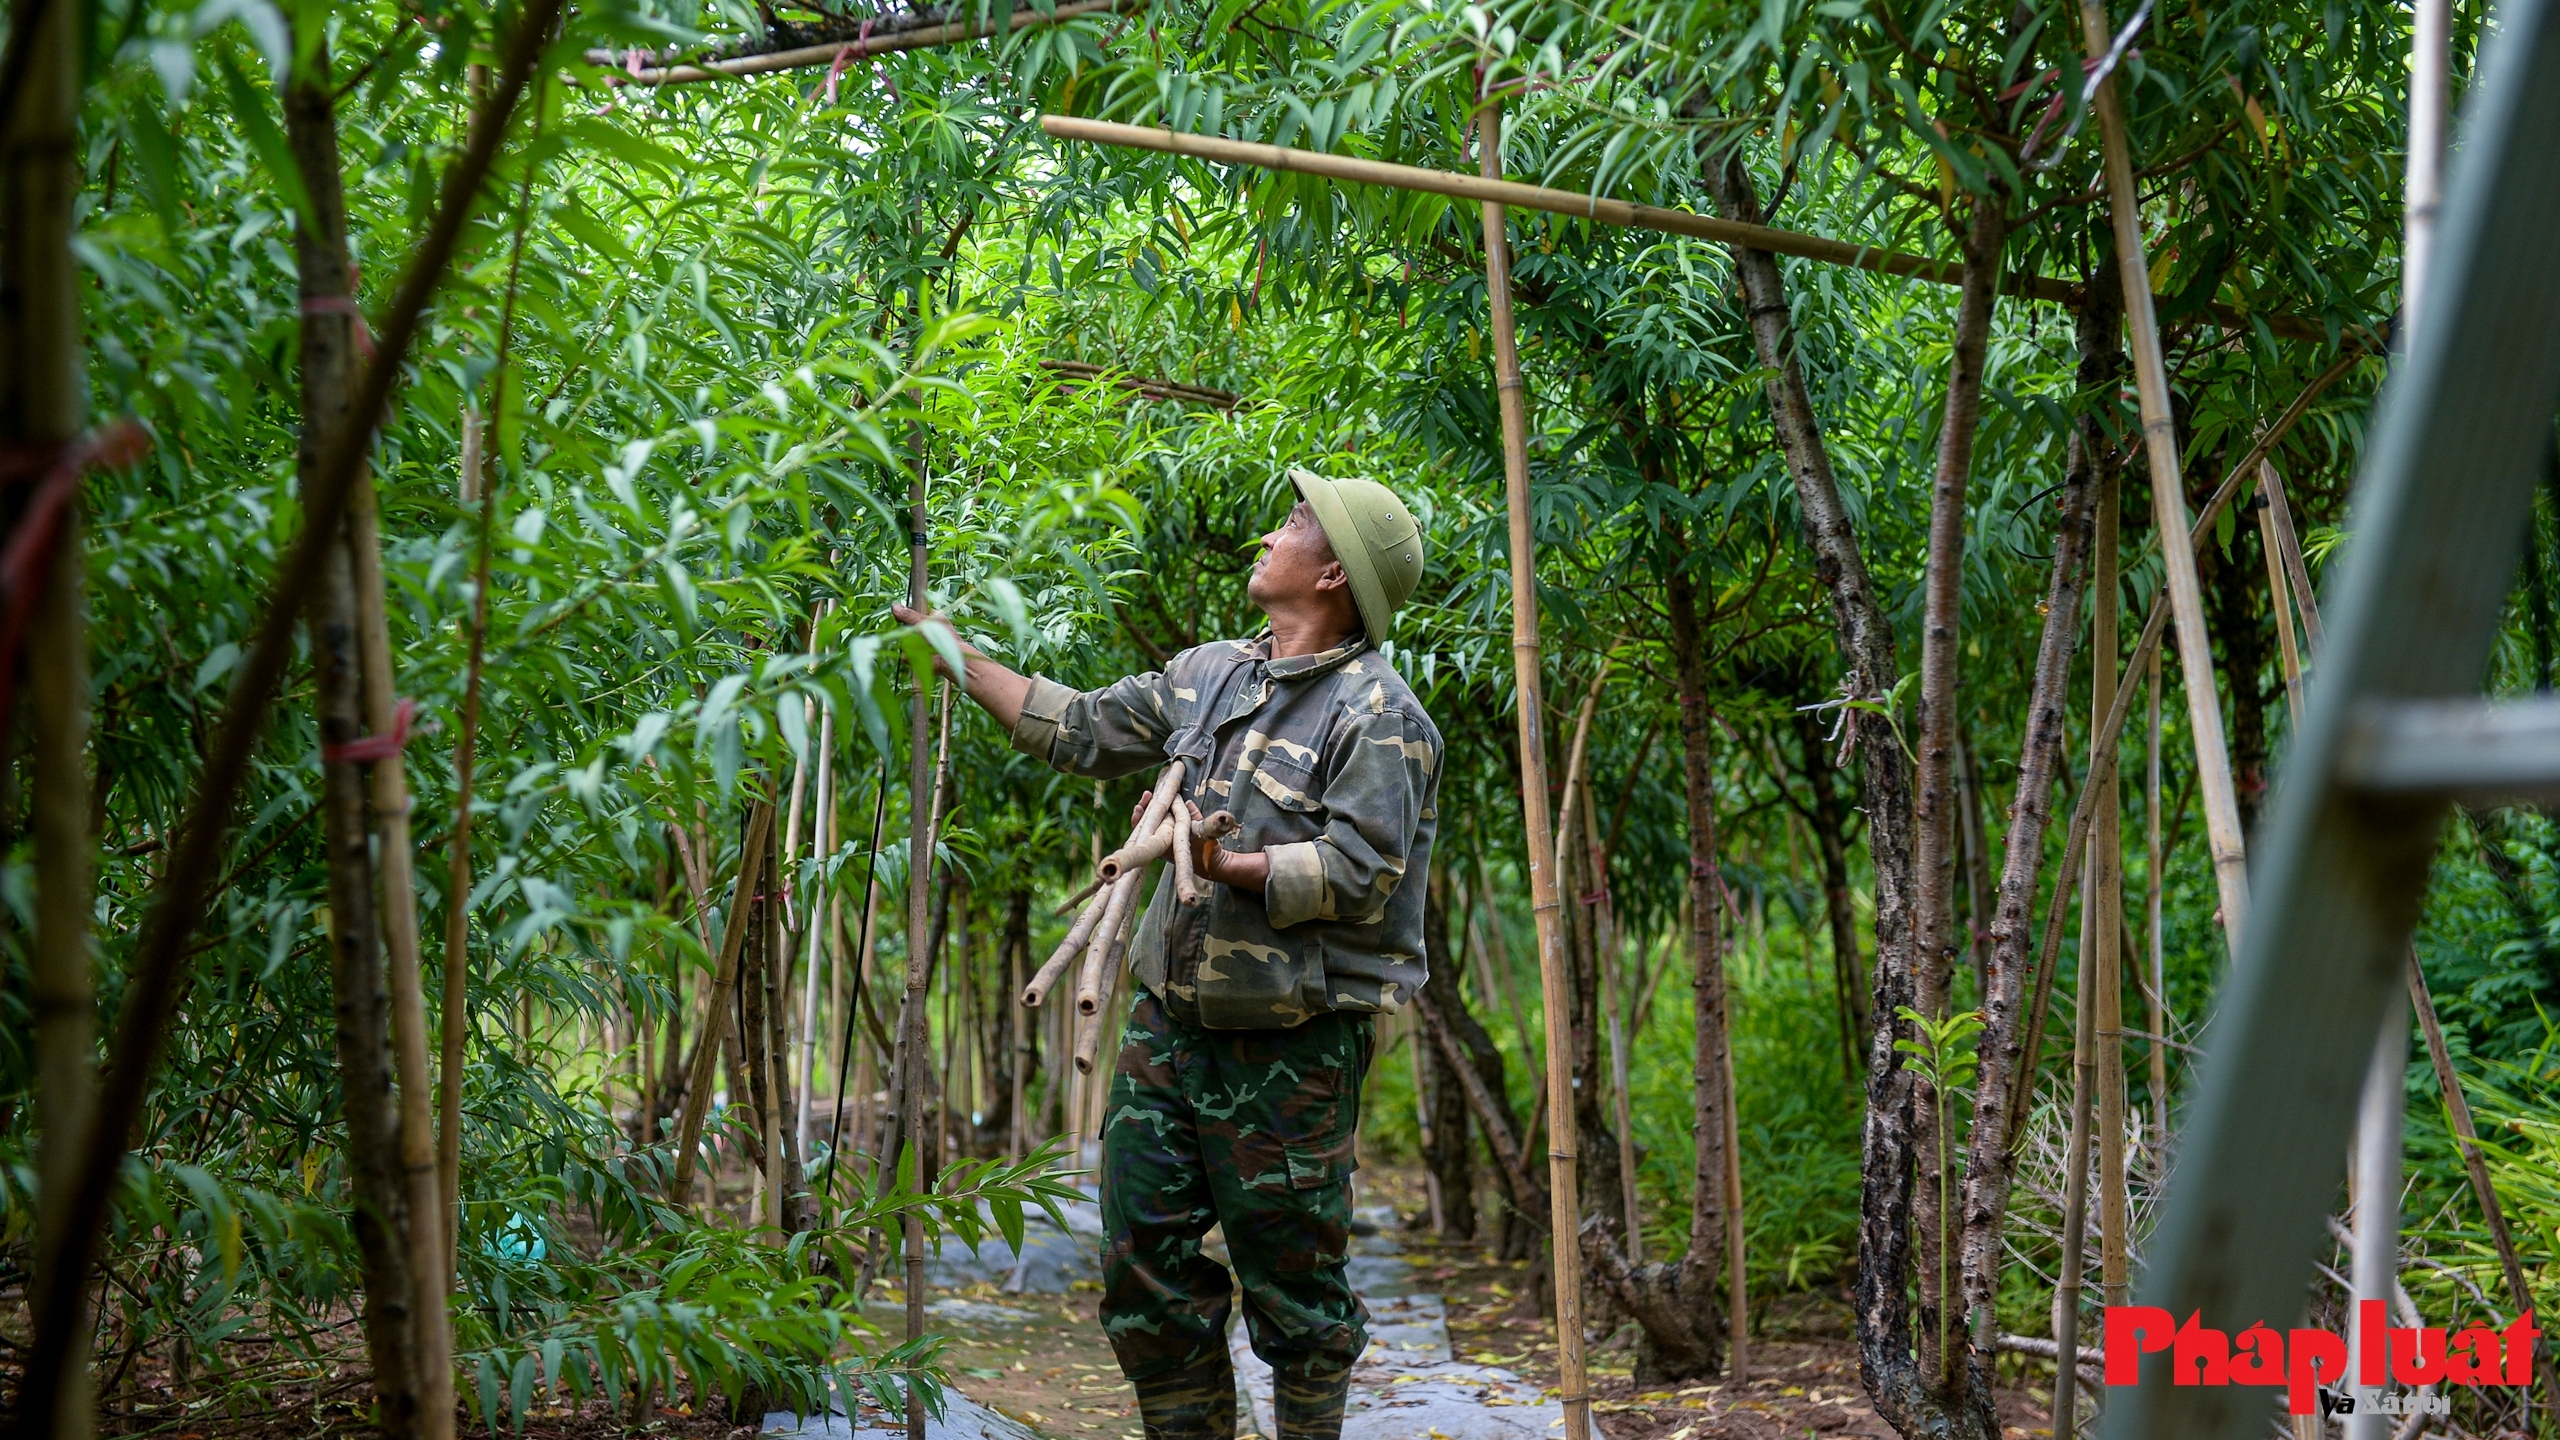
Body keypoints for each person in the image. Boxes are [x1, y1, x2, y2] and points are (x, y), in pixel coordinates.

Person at [893, 467, 1440, 1440]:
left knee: (1297, 1302)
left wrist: (1225, 864)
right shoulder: (1210, 673)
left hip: (1292, 1049)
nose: (1268, 535)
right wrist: (947, 650)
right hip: (1167, 1032)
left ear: (1332, 577)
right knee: (1141, 1272)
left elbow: (1362, 874)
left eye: (1293, 524)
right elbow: (1077, 728)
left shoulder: (1378, 713)